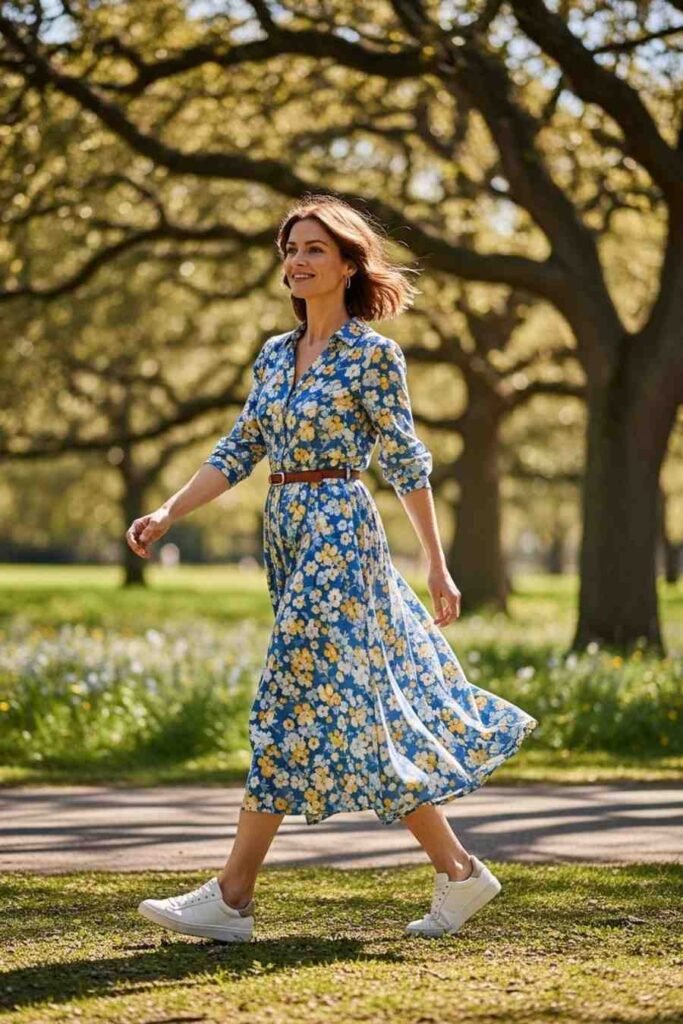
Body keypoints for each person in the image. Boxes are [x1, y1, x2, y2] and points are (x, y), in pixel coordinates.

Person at [127, 194, 538, 943]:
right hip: (285, 534)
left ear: (349, 264)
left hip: (339, 534)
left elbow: (405, 463)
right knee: (353, 713)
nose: (297, 260)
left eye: (314, 248)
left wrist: (436, 569)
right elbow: (239, 449)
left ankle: (232, 894)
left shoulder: (373, 355)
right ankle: (458, 873)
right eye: (290, 248)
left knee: (288, 699)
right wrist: (167, 512)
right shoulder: (274, 355)